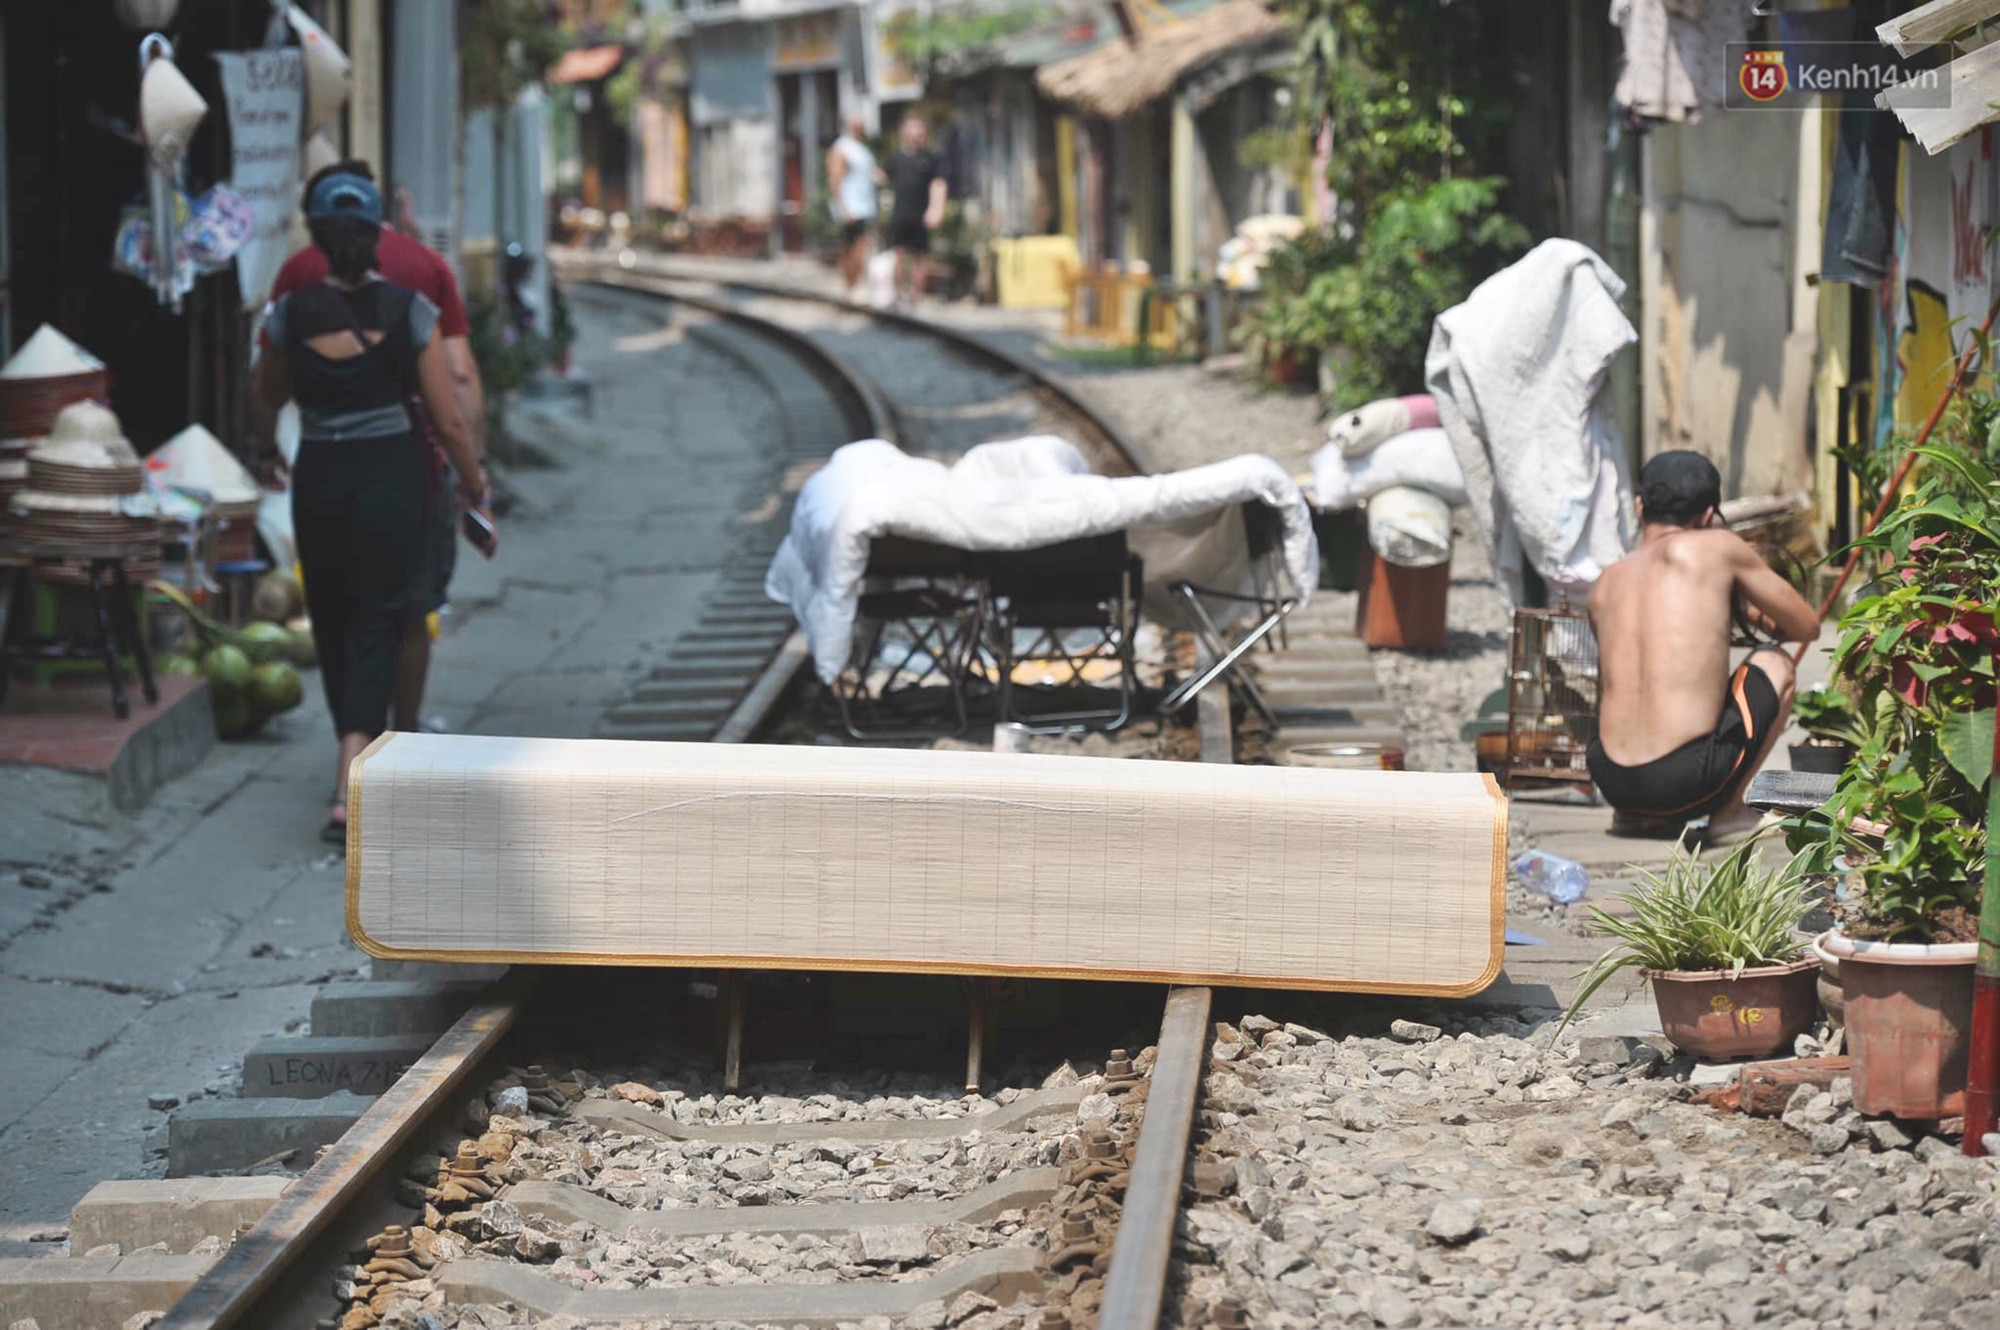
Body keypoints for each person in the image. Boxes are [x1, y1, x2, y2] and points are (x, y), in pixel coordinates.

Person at [253, 172, 485, 845]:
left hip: (321, 476)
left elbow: (265, 395)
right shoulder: (411, 311)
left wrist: (267, 450)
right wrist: (475, 485)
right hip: (393, 478)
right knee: (382, 614)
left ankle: (353, 757)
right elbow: (449, 416)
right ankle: (350, 782)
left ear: (317, 237)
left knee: (332, 615)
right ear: (380, 232)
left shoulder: (289, 314)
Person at [1586, 451, 1821, 842]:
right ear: (1708, 514)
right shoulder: (1717, 548)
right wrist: (1749, 609)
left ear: (1640, 507)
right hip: (1685, 783)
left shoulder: (1606, 582)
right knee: (1775, 662)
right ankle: (1731, 816)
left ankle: (1636, 818)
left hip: (1612, 781)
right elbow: (1807, 626)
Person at [884, 115, 946, 306]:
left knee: (921, 257)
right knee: (899, 254)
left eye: (919, 130)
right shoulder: (896, 157)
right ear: (904, 132)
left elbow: (938, 184)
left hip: (921, 213)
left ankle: (915, 297)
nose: (916, 134)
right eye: (912, 129)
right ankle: (896, 295)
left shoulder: (931, 157)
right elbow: (885, 179)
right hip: (900, 213)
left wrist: (936, 209)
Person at [826, 115, 880, 299]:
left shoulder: (862, 148)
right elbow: (835, 178)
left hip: (865, 205)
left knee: (858, 245)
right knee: (853, 246)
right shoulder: (842, 148)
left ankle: (853, 284)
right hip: (852, 205)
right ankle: (851, 285)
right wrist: (842, 207)